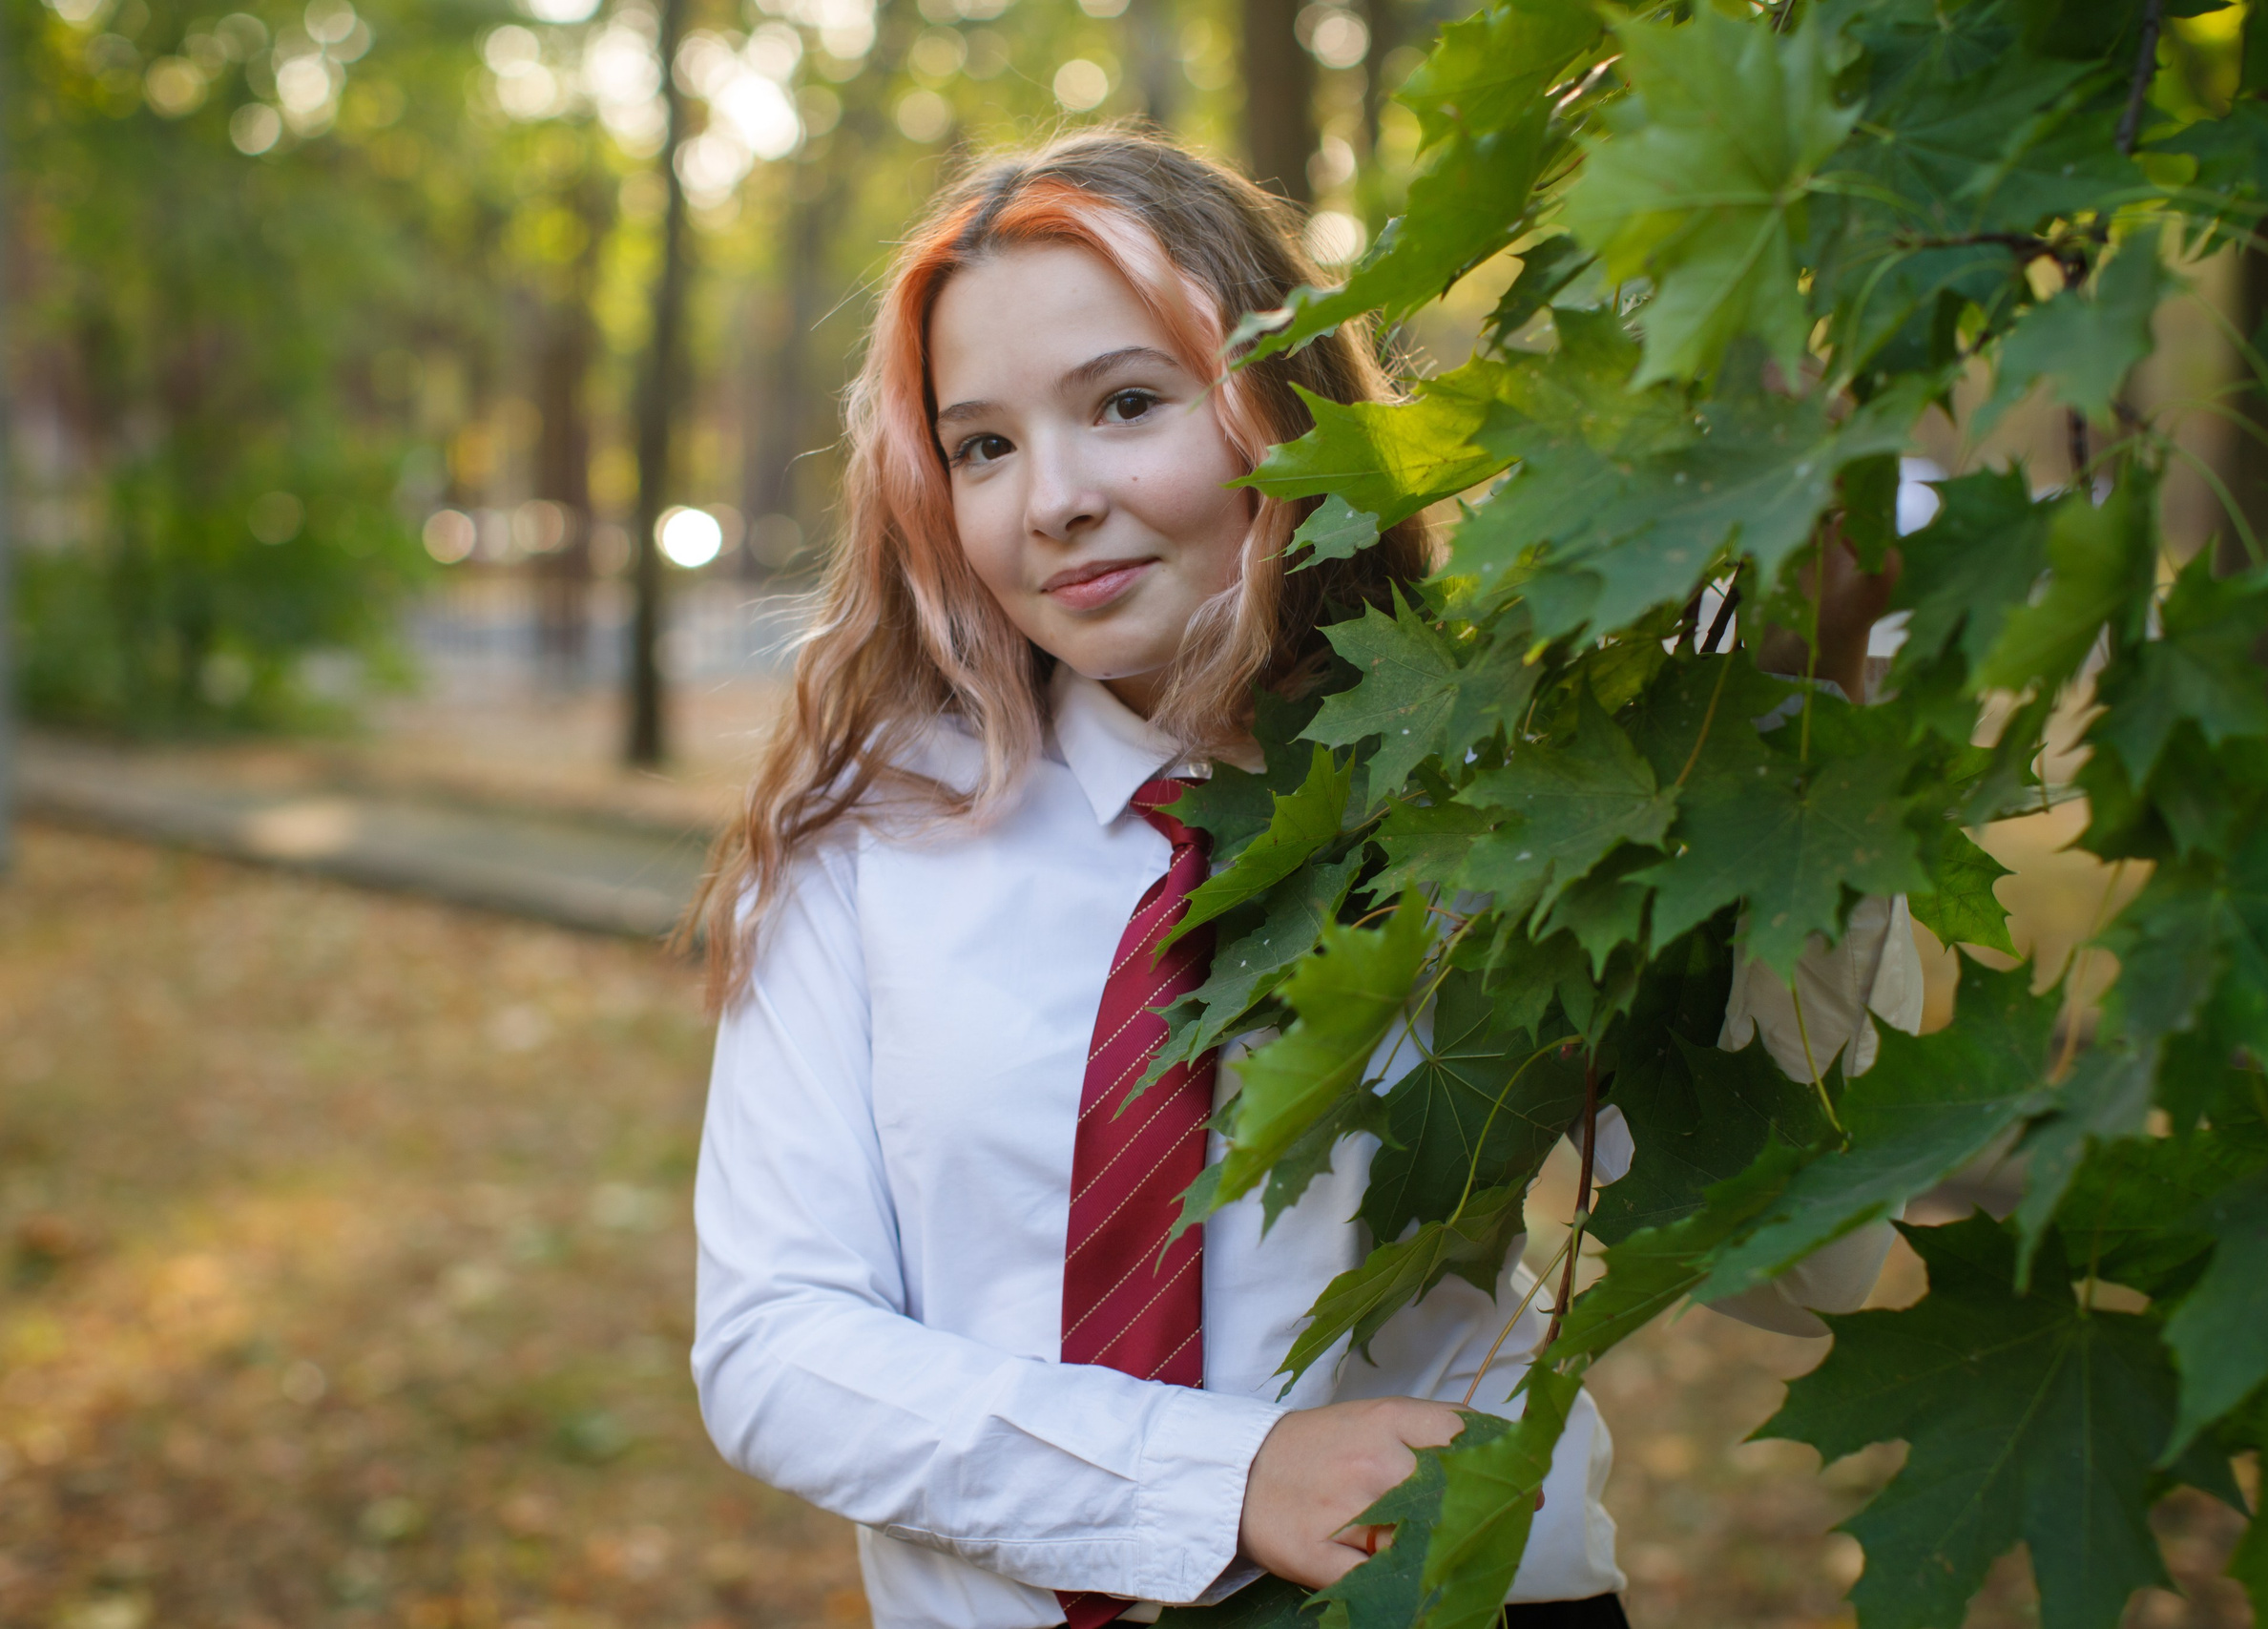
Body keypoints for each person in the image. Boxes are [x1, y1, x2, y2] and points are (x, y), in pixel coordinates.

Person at [686, 131, 1921, 1629]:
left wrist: (1801, 740)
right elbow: (774, 1345)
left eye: (1126, 404)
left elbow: (1809, 1268)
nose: (1053, 499)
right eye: (983, 446)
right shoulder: (875, 839)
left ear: (1281, 406)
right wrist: (1220, 1479)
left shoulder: (1516, 787)